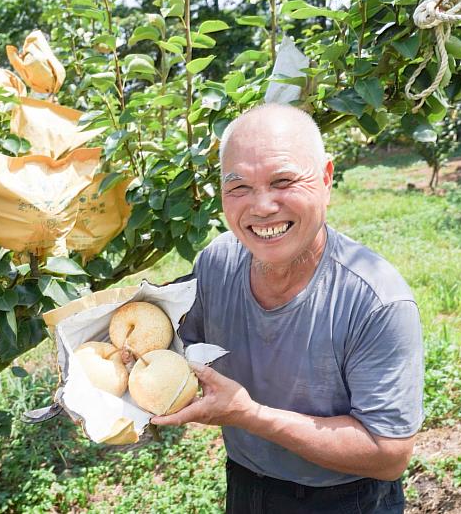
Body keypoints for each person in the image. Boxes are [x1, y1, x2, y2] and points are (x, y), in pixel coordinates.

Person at [151, 103, 424, 513]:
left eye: (283, 181)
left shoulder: (377, 302)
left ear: (327, 179)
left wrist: (250, 415)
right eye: (239, 187)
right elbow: (167, 337)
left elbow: (388, 455)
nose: (261, 207)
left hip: (345, 500)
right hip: (246, 482)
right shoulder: (217, 263)